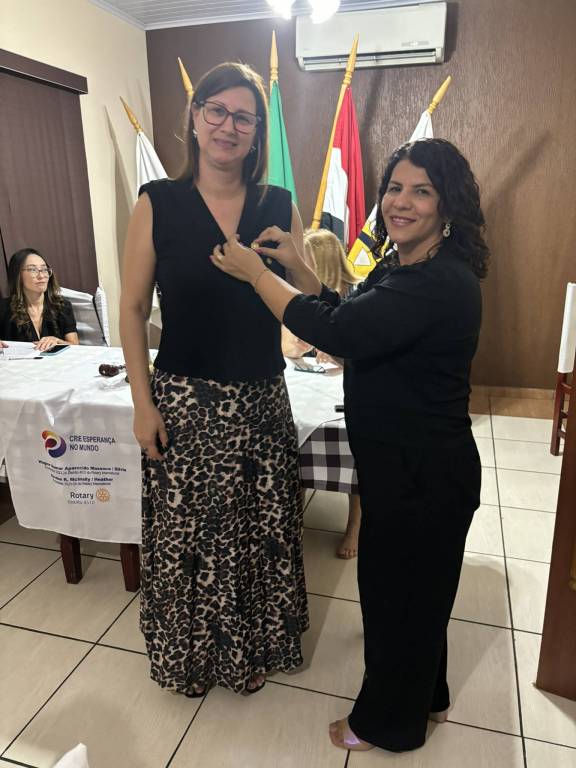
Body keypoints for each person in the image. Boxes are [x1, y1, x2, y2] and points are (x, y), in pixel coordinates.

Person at [211, 138, 488, 752]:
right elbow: (352, 312)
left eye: (421, 191)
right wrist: (299, 265)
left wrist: (257, 274)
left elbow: (336, 331)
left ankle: (387, 725)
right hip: (409, 469)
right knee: (419, 600)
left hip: (421, 477)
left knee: (396, 602)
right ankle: (427, 699)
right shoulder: (406, 267)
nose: (401, 202)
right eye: (394, 188)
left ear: (448, 206)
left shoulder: (438, 282)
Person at [119, 62, 318, 697]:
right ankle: (192, 659)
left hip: (261, 398)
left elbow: (311, 303)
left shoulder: (276, 204)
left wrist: (293, 263)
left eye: (244, 118)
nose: (228, 127)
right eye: (217, 111)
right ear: (196, 117)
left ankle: (250, 653)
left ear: (258, 133)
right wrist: (142, 404)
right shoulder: (158, 202)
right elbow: (131, 309)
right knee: (189, 538)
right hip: (184, 401)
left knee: (258, 532)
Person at [303, 228, 362, 560]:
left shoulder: (355, 297)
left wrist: (335, 350)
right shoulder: (307, 296)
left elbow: (357, 351)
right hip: (310, 384)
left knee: (354, 450)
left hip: (346, 387)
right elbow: (289, 345)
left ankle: (355, 523)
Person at [0, 248, 79, 350]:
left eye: (44, 269)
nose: (41, 276)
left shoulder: (62, 305)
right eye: (33, 270)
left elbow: (75, 345)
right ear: (17, 275)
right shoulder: (3, 308)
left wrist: (58, 341)